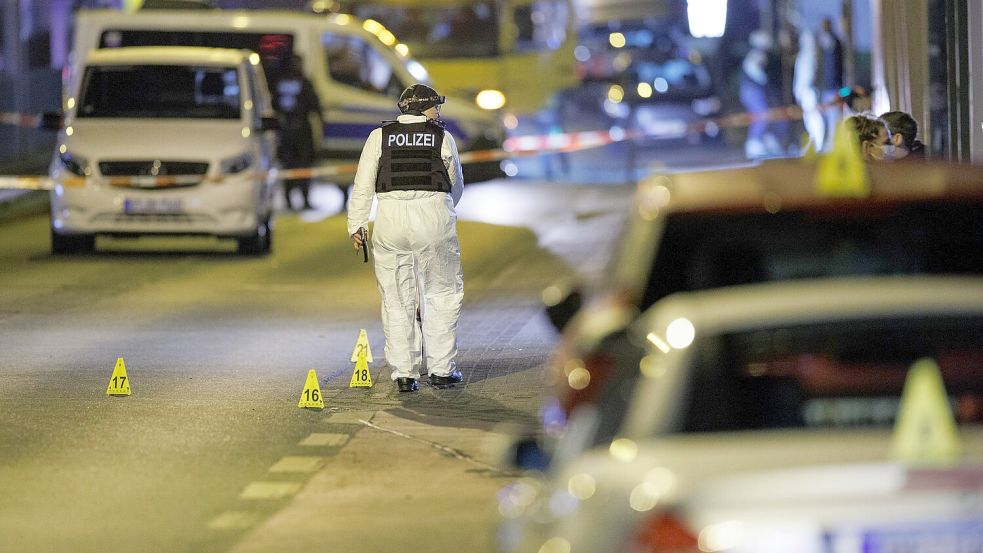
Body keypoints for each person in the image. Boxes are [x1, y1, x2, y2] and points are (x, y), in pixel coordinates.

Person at [348, 84, 465, 393]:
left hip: (390, 221)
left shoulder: (379, 137)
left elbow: (363, 185)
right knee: (441, 293)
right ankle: (441, 370)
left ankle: (404, 373)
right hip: (432, 217)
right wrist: (441, 208)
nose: (438, 111)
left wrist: (357, 226)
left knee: (397, 298)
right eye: (435, 106)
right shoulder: (442, 137)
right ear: (423, 108)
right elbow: (456, 185)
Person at [272, 53, 322, 211]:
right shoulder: (304, 82)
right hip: (300, 131)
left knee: (291, 167)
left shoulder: (279, 82)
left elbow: (274, 105)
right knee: (301, 166)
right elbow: (314, 104)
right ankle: (300, 200)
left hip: (287, 130)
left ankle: (293, 200)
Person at [817, 17, 845, 151]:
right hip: (831, 86)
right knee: (830, 117)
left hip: (832, 87)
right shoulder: (833, 41)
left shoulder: (831, 40)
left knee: (833, 117)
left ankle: (833, 146)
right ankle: (831, 145)